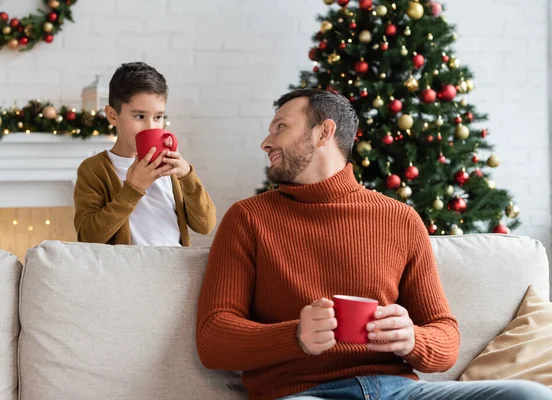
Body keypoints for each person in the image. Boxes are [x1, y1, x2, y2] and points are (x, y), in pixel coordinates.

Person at [195, 88, 552, 400]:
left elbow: (445, 335)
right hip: (304, 393)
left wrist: (412, 339)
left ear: (324, 132)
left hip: (400, 391)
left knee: (528, 394)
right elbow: (213, 338)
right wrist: (296, 336)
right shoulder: (248, 218)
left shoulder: (400, 219)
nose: (266, 141)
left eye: (281, 127)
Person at [74, 62, 215, 246]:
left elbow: (205, 225)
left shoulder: (170, 168)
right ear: (112, 115)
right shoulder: (93, 169)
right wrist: (132, 189)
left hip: (175, 267)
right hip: (129, 271)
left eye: (158, 117)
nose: (151, 127)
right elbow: (88, 237)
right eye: (139, 116)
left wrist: (187, 175)